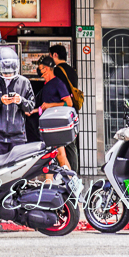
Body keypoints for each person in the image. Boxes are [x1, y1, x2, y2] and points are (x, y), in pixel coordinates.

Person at [0, 46, 35, 155]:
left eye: (10, 72)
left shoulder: (24, 82)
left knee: (17, 169)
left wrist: (20, 101)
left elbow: (31, 106)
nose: (8, 75)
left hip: (18, 136)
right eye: (5, 72)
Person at [36, 55, 74, 171]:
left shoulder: (58, 83)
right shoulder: (47, 84)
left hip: (57, 125)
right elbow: (45, 105)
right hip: (48, 124)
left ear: (46, 68)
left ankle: (71, 180)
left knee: (60, 154)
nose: (39, 71)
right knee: (50, 155)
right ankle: (49, 181)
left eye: (40, 68)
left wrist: (49, 105)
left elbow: (69, 103)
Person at [49, 44, 80, 172]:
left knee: (61, 146)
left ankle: (67, 174)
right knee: (71, 145)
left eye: (50, 55)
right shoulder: (72, 70)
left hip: (62, 112)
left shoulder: (57, 71)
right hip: (72, 112)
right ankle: (74, 173)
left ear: (55, 55)